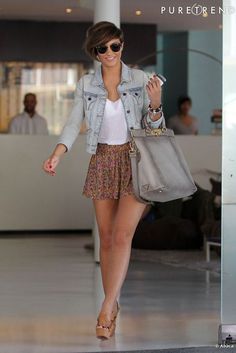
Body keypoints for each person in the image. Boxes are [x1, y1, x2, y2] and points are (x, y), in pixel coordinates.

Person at [43, 21, 164, 339]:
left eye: (115, 46)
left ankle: (107, 307)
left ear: (122, 45)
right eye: (102, 48)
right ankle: (112, 305)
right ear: (94, 52)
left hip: (134, 161)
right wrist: (58, 153)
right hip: (102, 161)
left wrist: (155, 104)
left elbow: (154, 127)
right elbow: (72, 123)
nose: (109, 53)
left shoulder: (139, 79)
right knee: (107, 239)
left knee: (123, 237)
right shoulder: (86, 84)